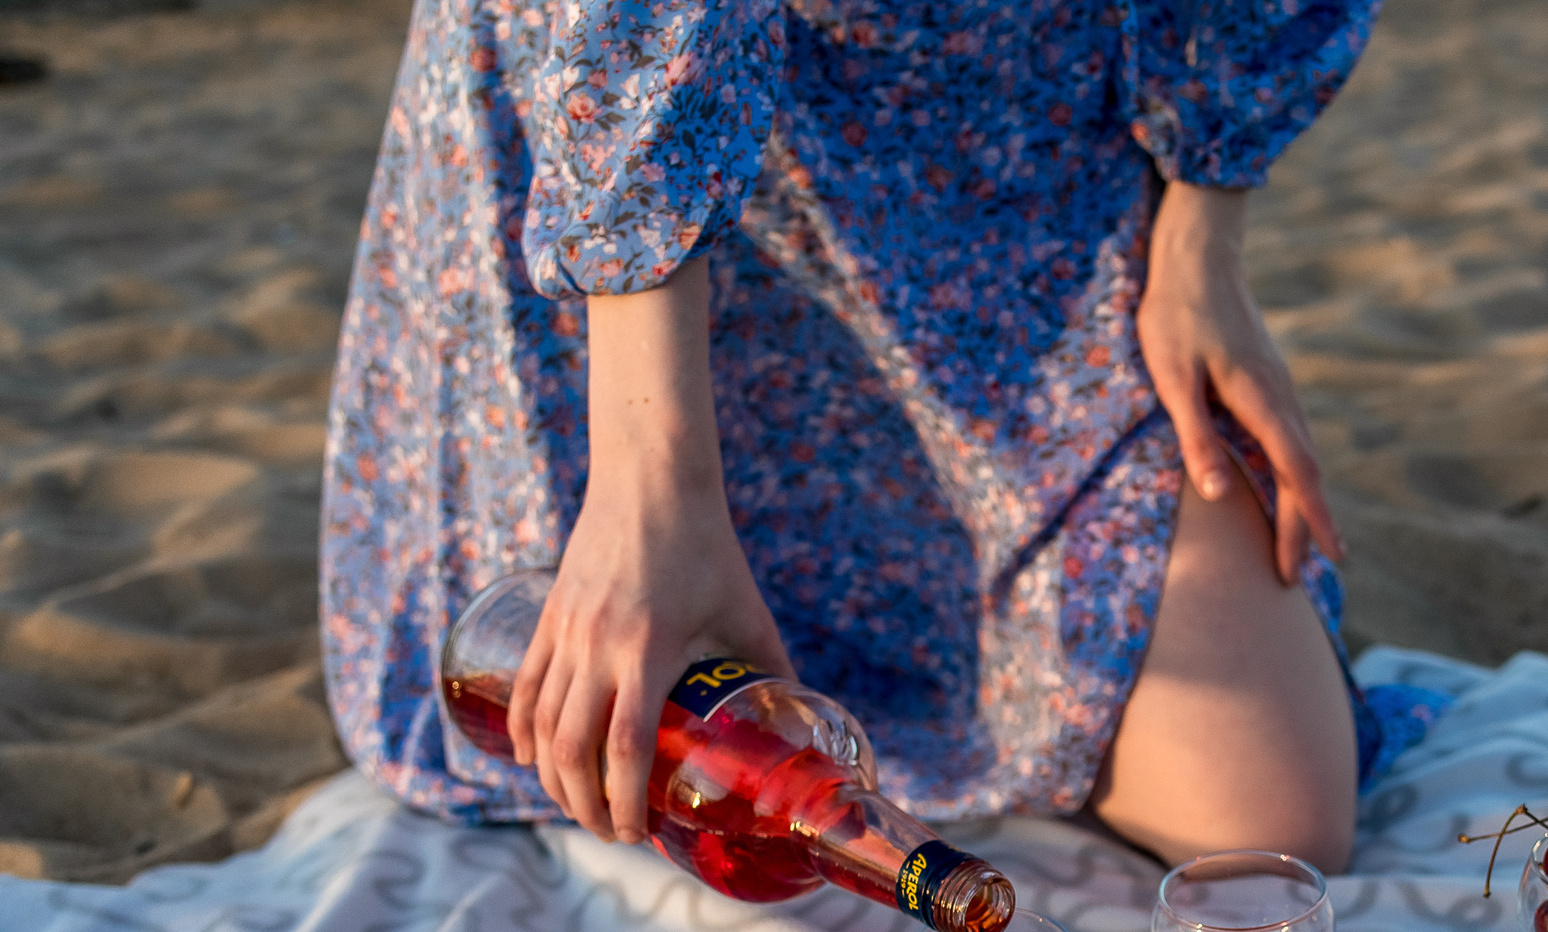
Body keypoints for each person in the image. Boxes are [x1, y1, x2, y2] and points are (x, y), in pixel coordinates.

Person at [319, 0, 1438, 878]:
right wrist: (646, 490)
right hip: (626, 107)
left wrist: (1203, 219)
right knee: (583, 705)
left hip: (1006, 127)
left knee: (1272, 813)